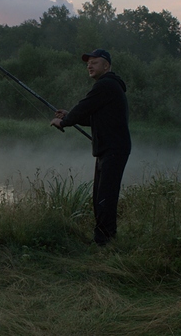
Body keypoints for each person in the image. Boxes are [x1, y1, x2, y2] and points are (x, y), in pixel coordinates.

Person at [51, 49, 131, 246]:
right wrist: (70, 116)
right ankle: (104, 237)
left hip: (113, 149)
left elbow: (84, 107)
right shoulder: (109, 87)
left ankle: (104, 240)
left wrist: (64, 121)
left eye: (94, 62)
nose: (89, 65)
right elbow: (94, 117)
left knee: (105, 196)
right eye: (88, 63)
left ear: (106, 66)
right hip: (109, 148)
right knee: (100, 195)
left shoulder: (106, 85)